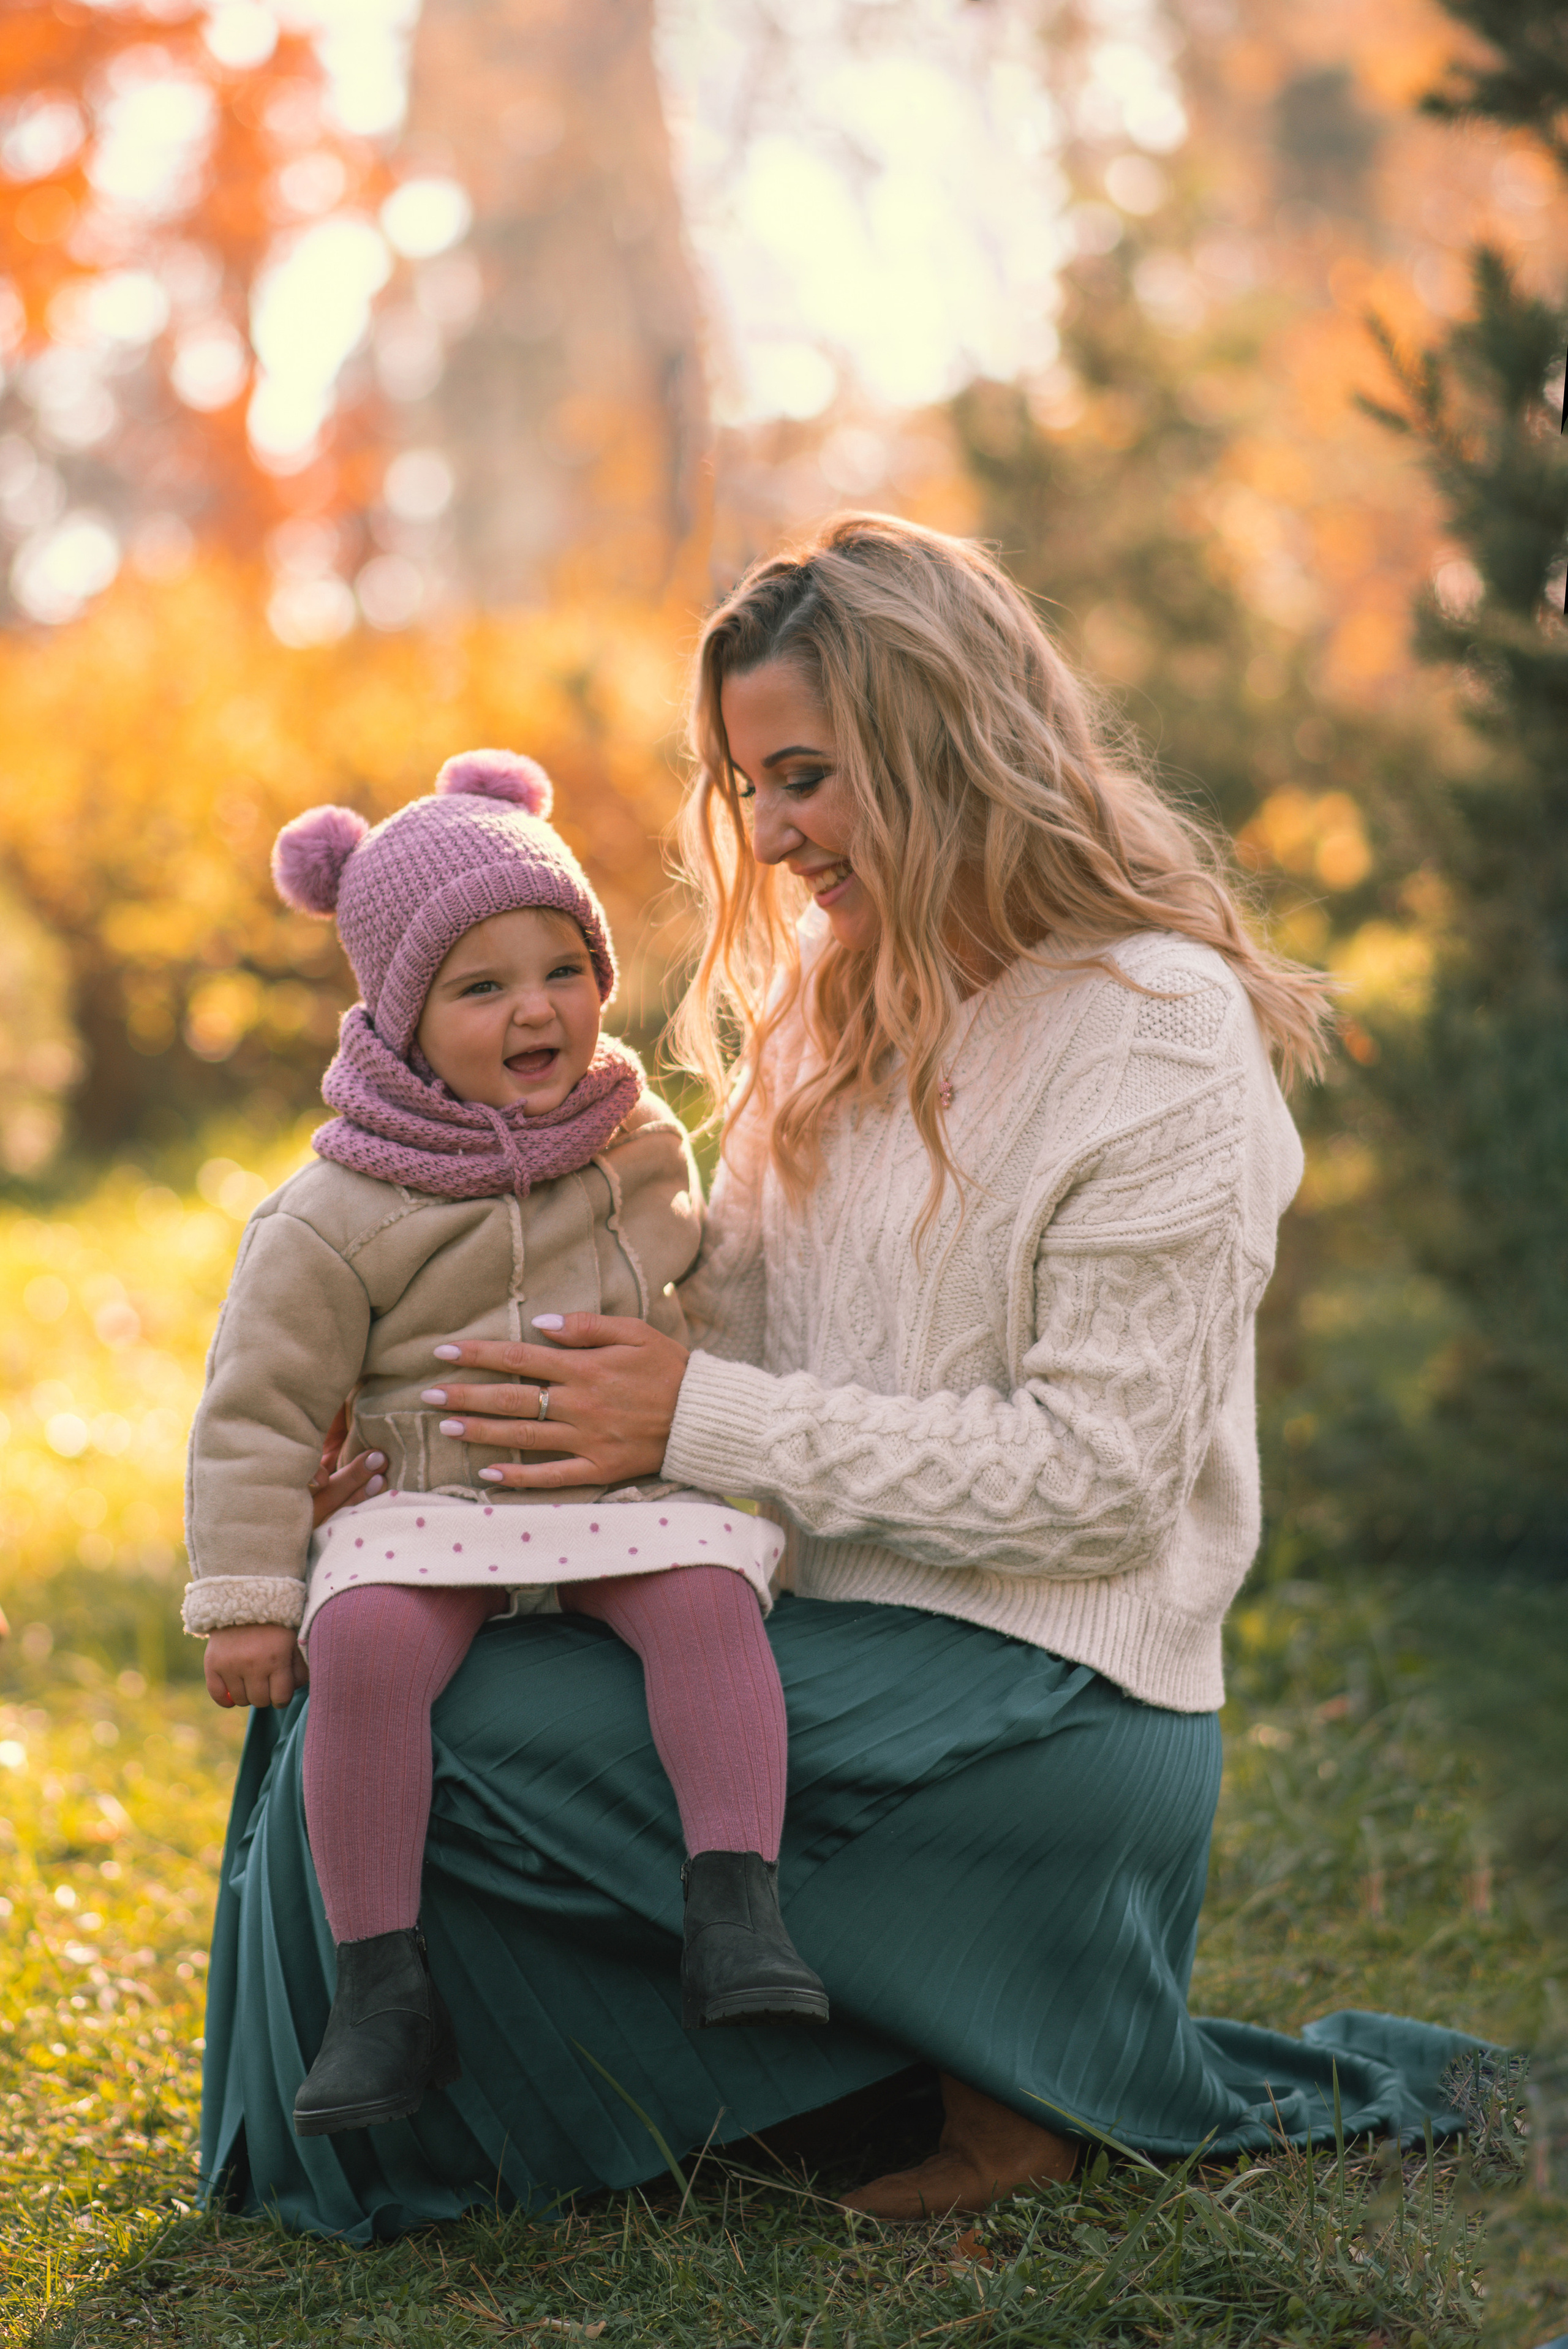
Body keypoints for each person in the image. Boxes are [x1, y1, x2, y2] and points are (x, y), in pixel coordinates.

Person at [201, 518, 1482, 2240]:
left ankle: (995, 2039)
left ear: (947, 738)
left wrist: (691, 1418)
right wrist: (429, 1473)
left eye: (806, 774)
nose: (774, 831)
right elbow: (720, 1328)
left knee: (478, 1737)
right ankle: (757, 2071)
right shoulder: (832, 1001)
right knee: (354, 1666)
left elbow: (1100, 1479)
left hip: (1050, 1681)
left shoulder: (1160, 1030)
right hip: (814, 1620)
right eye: (752, 786)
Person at [183, 750, 829, 2146]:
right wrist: (248, 1596)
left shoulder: (634, 1139)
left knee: (707, 1602)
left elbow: (703, 1295)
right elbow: (259, 1405)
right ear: (404, 1019)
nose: (535, 1009)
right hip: (425, 1492)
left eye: (562, 969)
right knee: (366, 1651)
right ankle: (381, 1986)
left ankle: (734, 1907)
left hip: (610, 1482)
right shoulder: (339, 1201)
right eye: (479, 988)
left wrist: (727, 1418)